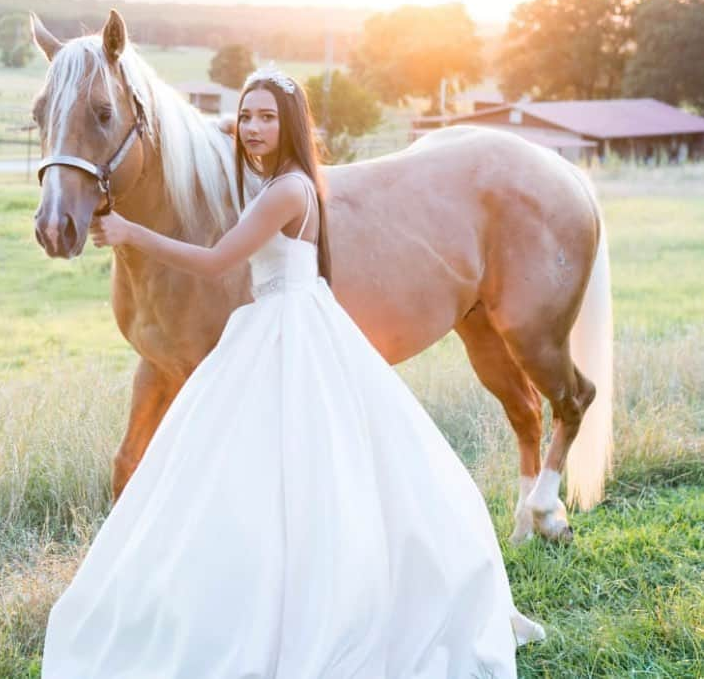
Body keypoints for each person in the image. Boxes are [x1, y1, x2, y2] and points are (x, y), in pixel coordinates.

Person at [41, 64, 545, 678]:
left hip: (290, 327)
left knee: (297, 469)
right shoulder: (269, 182)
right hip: (276, 323)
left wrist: (128, 232)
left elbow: (215, 260)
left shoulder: (287, 191)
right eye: (246, 115)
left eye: (266, 117)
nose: (252, 128)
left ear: (290, 125)